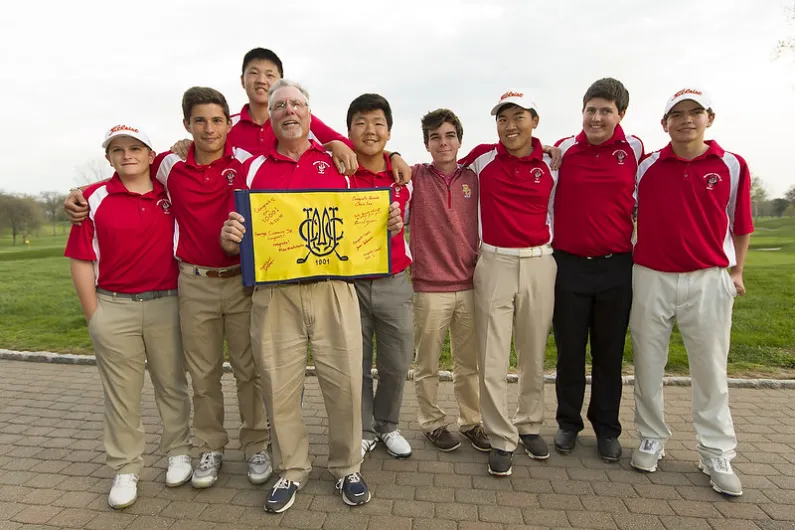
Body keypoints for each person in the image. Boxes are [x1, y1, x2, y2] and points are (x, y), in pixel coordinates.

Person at [65, 88, 273, 490]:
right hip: (194, 284)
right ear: (186, 126)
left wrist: (334, 142)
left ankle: (256, 445)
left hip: (242, 283)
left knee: (250, 371)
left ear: (229, 123)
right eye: (199, 120)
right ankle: (209, 446)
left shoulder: (248, 163)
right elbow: (121, 176)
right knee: (204, 374)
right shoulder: (169, 166)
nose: (208, 129)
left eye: (216, 120)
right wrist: (76, 196)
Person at [220, 79, 403, 513]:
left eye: (297, 104)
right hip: (275, 292)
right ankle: (291, 470)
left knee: (343, 381)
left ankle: (347, 468)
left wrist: (388, 220)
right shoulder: (253, 168)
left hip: (333, 289)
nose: (289, 111)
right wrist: (231, 238)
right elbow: (239, 233)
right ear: (273, 114)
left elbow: (365, 218)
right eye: (280, 105)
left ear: (308, 112)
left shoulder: (340, 162)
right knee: (279, 385)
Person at [630, 87, 753, 498]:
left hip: (708, 276)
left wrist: (737, 271)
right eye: (676, 115)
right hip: (651, 275)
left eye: (694, 112)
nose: (686, 120)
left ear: (709, 118)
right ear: (664, 124)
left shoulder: (732, 165)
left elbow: (740, 223)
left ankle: (716, 452)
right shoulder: (646, 166)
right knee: (648, 363)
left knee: (711, 369)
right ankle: (651, 438)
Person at [65, 124, 192, 509]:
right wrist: (94, 316)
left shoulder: (171, 192)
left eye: (136, 148)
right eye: (117, 150)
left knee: (171, 383)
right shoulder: (92, 198)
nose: (127, 155)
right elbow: (82, 258)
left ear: (152, 155)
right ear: (109, 158)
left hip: (167, 302)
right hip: (114, 305)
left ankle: (178, 452)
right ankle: (126, 467)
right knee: (122, 394)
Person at [459, 90, 558, 476]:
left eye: (518, 117)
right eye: (502, 119)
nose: (510, 126)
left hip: (539, 262)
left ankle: (530, 422)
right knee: (492, 354)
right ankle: (501, 437)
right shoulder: (483, 157)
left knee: (532, 352)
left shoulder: (553, 162)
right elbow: (442, 164)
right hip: (494, 261)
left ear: (534, 120)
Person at [551, 78, 643, 462]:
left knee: (608, 354)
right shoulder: (564, 150)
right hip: (568, 266)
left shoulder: (635, 150)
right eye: (591, 109)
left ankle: (606, 428)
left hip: (616, 268)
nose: (597, 117)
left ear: (620, 114)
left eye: (606, 110)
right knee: (569, 352)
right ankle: (568, 423)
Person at [410, 108, 489, 453]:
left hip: (470, 285)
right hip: (428, 287)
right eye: (435, 137)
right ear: (426, 144)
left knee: (467, 364)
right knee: (427, 363)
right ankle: (431, 422)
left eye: (449, 136)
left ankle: (471, 421)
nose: (443, 143)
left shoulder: (474, 178)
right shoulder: (415, 176)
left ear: (460, 140)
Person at [346, 94, 414, 459]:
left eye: (378, 123)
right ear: (348, 130)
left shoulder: (402, 176)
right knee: (355, 362)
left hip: (394, 281)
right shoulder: (338, 174)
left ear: (389, 131)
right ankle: (365, 428)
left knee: (397, 361)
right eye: (361, 122)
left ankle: (388, 425)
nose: (369, 130)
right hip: (350, 284)